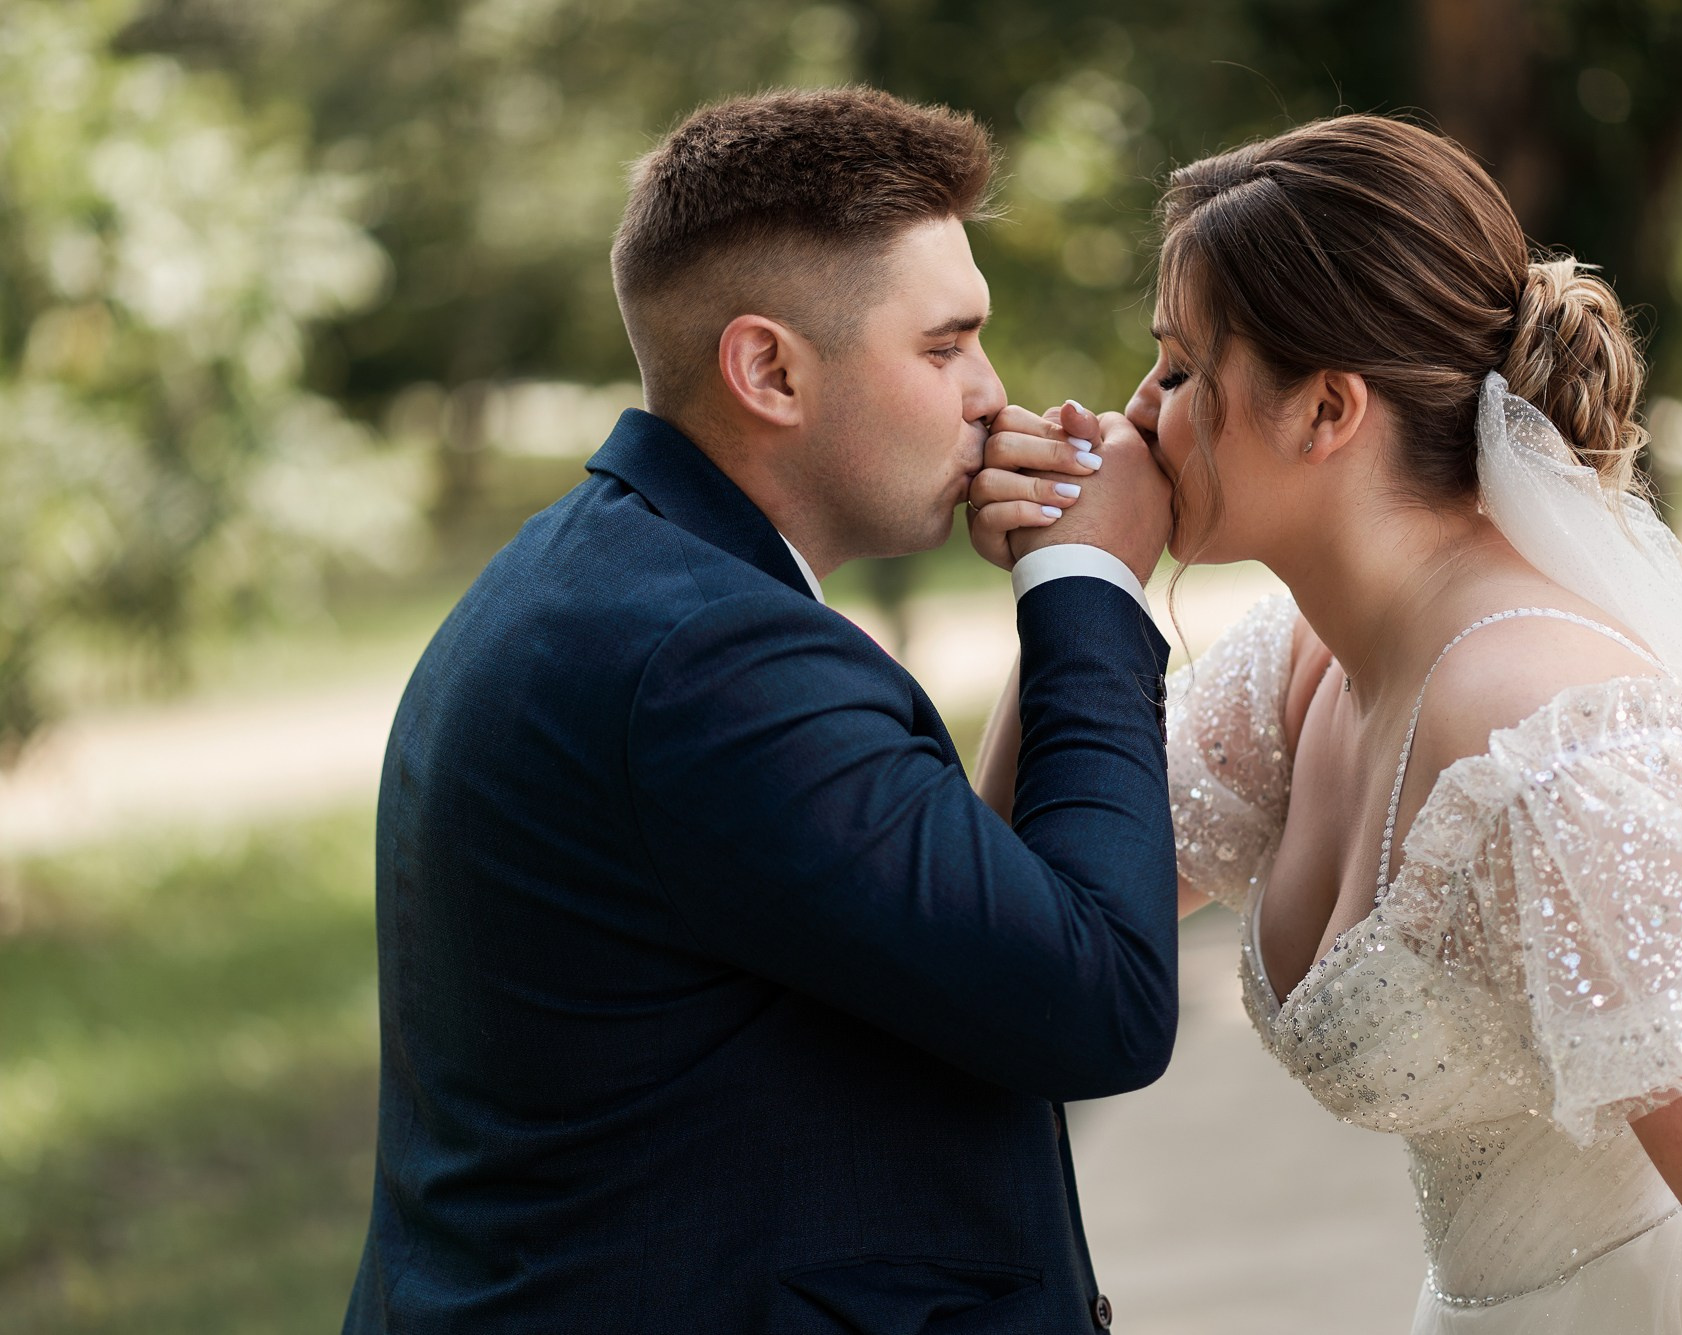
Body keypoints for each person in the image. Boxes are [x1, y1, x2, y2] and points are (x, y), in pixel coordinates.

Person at [975, 114, 1682, 1332]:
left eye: (1183, 371)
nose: (1139, 414)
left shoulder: (1557, 750)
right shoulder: (1298, 671)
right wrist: (1070, 588)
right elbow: (1024, 942)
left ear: (1325, 410)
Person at [343, 87, 1180, 1334]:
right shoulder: (706, 660)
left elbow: (969, 931)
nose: (989, 392)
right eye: (944, 346)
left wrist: (1061, 591)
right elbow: (1098, 1002)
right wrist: (1089, 590)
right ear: (768, 370)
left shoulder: (617, 582)